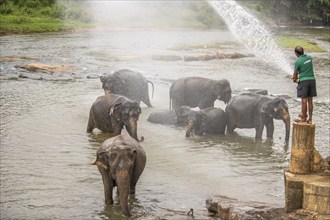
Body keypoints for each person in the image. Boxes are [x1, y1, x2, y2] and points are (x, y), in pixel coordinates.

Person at [292, 46, 317, 124]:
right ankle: (310, 119)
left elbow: (295, 75)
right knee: (310, 101)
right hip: (312, 80)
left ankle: (303, 119)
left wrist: (294, 79)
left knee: (304, 100)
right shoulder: (309, 58)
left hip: (304, 82)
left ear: (296, 54)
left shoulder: (298, 61)